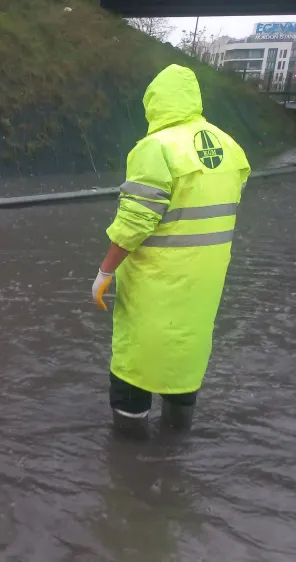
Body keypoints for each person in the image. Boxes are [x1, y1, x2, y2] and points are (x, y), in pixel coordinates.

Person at [92, 64, 250, 437]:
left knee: (135, 364)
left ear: (156, 103)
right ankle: (175, 451)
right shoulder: (229, 146)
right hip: (205, 282)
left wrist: (104, 272)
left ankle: (129, 463)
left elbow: (135, 221)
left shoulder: (156, 148)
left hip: (156, 281)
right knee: (185, 356)